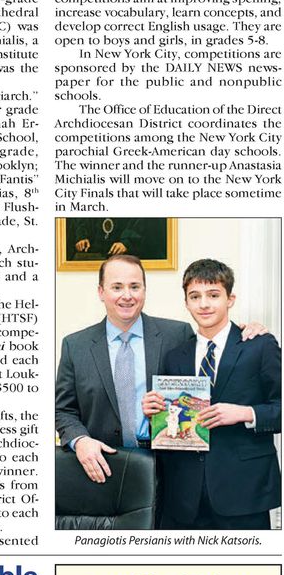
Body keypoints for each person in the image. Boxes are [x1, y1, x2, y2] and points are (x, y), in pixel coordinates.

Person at [56, 254, 267, 485]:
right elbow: (63, 410)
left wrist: (244, 332)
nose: (127, 295)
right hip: (101, 467)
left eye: (135, 286)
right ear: (101, 292)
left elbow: (213, 364)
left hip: (169, 471)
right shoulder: (75, 346)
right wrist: (80, 440)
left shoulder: (177, 334)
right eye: (117, 287)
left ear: (144, 291)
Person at [141, 259, 281, 530]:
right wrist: (153, 412)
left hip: (244, 492)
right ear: (186, 303)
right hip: (184, 496)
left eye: (213, 295)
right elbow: (173, 422)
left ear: (230, 299)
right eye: (195, 296)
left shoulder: (260, 345)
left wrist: (245, 413)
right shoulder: (175, 356)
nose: (204, 304)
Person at [68, 218, 144, 261]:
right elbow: (81, 222)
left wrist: (127, 242)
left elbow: (138, 223)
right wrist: (82, 236)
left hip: (122, 256)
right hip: (93, 253)